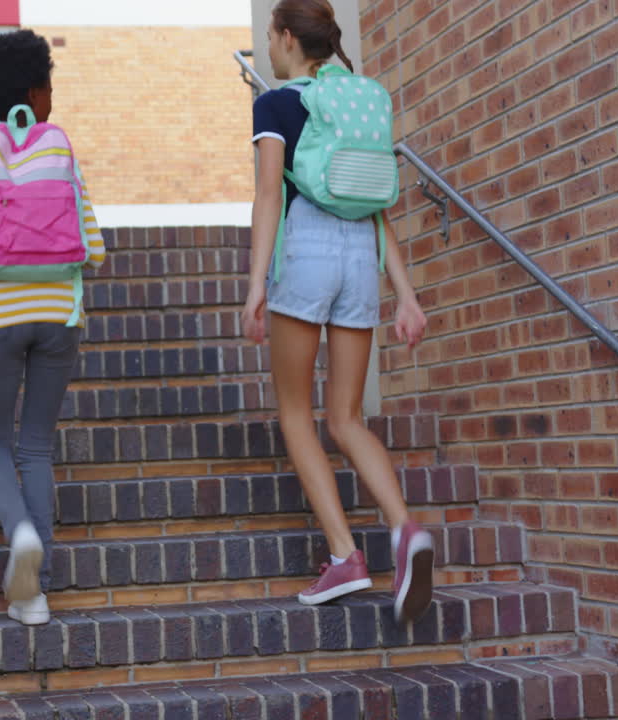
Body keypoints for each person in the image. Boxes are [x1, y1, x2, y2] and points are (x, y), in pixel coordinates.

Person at [244, 0, 434, 624]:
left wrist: (255, 285)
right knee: (347, 416)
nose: (269, 48)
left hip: (306, 250)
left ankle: (346, 555)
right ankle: (405, 530)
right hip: (360, 258)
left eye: (272, 37)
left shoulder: (276, 103)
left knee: (297, 412)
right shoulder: (357, 103)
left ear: (287, 40)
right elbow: (377, 205)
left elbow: (270, 194)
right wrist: (404, 293)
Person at [0, 29, 106, 626]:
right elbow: (96, 246)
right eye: (50, 85)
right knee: (36, 444)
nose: (53, 95)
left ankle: (22, 544)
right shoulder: (61, 148)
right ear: (34, 91)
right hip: (60, 315)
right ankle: (40, 587)